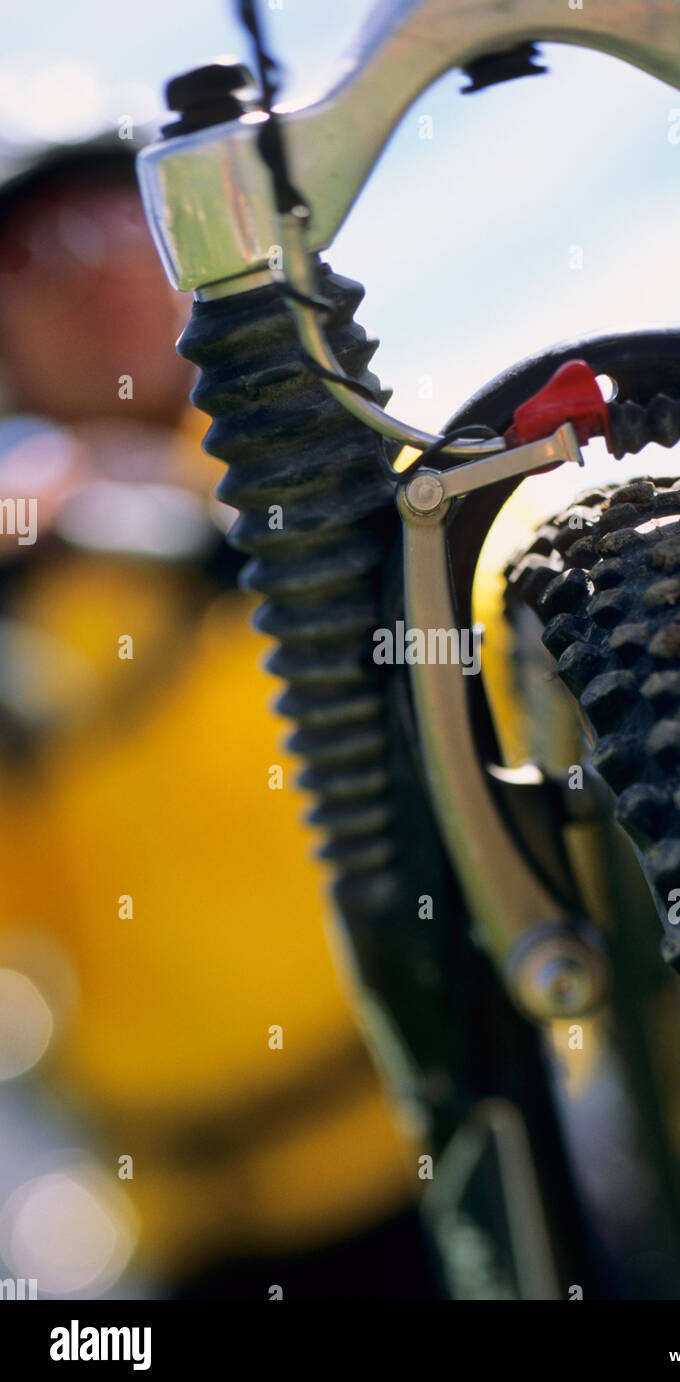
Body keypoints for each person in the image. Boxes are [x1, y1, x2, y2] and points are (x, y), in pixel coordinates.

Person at [0, 133, 438, 1299]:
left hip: (488, 1145)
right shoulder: (21, 616)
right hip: (209, 1239)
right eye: (27, 257)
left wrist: (112, 500)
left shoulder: (365, 467)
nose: (84, 272)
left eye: (116, 221)